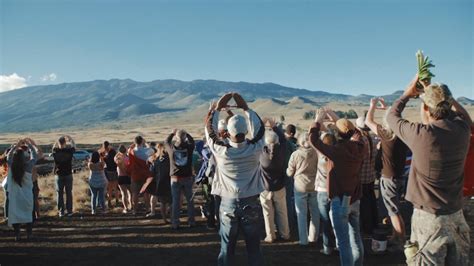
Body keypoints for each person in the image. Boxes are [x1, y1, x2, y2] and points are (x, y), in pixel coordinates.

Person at [386, 76, 472, 265]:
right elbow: (466, 118)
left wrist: (407, 94)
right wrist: (448, 99)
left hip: (429, 219)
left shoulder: (422, 134)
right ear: (449, 107)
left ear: (426, 109)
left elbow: (391, 117)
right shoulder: (463, 130)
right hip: (456, 213)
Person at [206, 92, 265, 266]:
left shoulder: (221, 150)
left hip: (228, 202)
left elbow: (210, 130)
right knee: (254, 248)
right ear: (246, 131)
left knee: (226, 248)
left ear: (227, 132)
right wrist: (245, 108)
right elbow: (260, 126)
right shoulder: (255, 148)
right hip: (251, 201)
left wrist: (216, 110)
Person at [309, 108, 366, 266]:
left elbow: (313, 140)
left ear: (338, 135)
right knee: (356, 238)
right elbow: (355, 132)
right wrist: (338, 119)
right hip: (354, 198)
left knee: (344, 243)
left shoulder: (336, 151)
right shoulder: (361, 147)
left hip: (340, 201)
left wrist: (318, 120)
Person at [365, 97, 409, 250]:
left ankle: (401, 240)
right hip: (399, 175)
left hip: (388, 177)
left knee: (393, 211)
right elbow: (394, 116)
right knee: (395, 208)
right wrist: (387, 109)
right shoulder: (403, 133)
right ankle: (396, 236)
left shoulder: (386, 134)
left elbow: (368, 121)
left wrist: (373, 106)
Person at [259, 118, 290, 243]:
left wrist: (261, 125)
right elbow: (283, 139)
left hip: (265, 188)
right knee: (282, 212)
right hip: (280, 187)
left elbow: (257, 138)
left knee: (267, 213)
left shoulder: (261, 153)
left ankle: (270, 235)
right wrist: (275, 126)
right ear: (277, 142)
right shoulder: (282, 151)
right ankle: (285, 234)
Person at [287, 132, 319, 246]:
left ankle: (303, 240)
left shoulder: (295, 154)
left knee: (301, 214)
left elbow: (289, 172)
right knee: (315, 212)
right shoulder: (316, 153)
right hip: (314, 185)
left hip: (300, 186)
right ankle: (314, 237)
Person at [6, 138, 38, 240]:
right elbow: (34, 156)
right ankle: (29, 234)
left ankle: (17, 235)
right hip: (27, 195)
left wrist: (15, 146)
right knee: (28, 214)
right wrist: (29, 145)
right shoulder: (28, 166)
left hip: (15, 196)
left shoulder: (12, 166)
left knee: (16, 215)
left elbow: (8, 157)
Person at [165, 129, 196, 229]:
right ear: (185, 137)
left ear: (177, 137)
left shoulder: (171, 148)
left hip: (175, 178)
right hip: (187, 177)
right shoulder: (189, 148)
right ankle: (191, 221)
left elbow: (166, 142)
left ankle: (175, 223)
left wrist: (172, 134)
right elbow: (192, 142)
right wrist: (187, 134)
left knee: (175, 201)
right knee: (190, 200)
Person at [355, 116, 379, 236]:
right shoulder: (374, 140)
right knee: (372, 201)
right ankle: (375, 223)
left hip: (361, 178)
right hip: (371, 176)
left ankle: (367, 227)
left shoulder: (360, 142)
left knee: (364, 204)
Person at [315, 132, 337, 255]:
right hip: (335, 190)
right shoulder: (338, 154)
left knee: (326, 220)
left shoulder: (320, 155)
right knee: (337, 219)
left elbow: (313, 139)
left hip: (322, 190)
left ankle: (327, 247)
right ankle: (339, 244)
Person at [144, 143, 171, 223]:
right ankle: (172, 217)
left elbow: (152, 171)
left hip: (159, 182)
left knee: (162, 202)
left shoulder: (155, 159)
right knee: (171, 202)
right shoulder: (169, 158)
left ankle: (164, 219)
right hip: (169, 181)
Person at [128, 136, 154, 215]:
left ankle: (134, 210)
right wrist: (146, 143)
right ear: (142, 141)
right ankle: (147, 209)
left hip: (135, 174)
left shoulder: (132, 151)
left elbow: (129, 151)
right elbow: (153, 151)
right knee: (146, 193)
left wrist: (134, 145)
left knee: (135, 193)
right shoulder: (147, 150)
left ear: (135, 142)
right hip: (145, 174)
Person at [52, 135, 76, 217]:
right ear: (65, 143)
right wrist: (70, 138)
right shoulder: (69, 151)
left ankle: (61, 212)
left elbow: (53, 148)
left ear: (59, 143)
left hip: (59, 174)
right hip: (68, 174)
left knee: (59, 193)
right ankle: (69, 211)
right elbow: (74, 146)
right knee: (69, 193)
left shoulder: (56, 151)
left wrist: (56, 142)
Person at [99, 141, 120, 209]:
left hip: (108, 172)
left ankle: (109, 202)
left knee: (110, 188)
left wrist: (103, 157)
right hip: (114, 171)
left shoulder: (108, 153)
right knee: (115, 187)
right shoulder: (112, 151)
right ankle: (116, 201)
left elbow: (106, 161)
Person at [114, 145, 132, 213]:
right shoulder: (128, 158)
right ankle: (131, 206)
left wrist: (118, 153)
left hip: (120, 177)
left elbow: (115, 157)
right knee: (130, 193)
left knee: (123, 193)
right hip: (128, 176)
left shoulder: (117, 158)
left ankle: (126, 208)